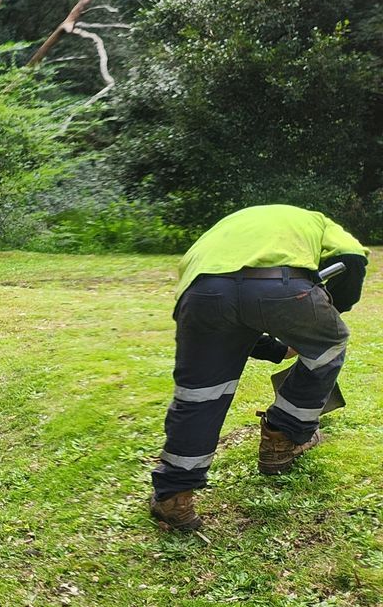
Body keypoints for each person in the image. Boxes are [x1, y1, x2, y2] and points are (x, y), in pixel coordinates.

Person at [151, 204, 368, 533]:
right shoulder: (316, 222)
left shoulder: (222, 230)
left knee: (200, 395)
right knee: (329, 344)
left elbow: (232, 304)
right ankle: (281, 436)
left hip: (202, 293)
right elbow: (353, 257)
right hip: (282, 288)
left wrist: (278, 348)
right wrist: (329, 308)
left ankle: (173, 497)